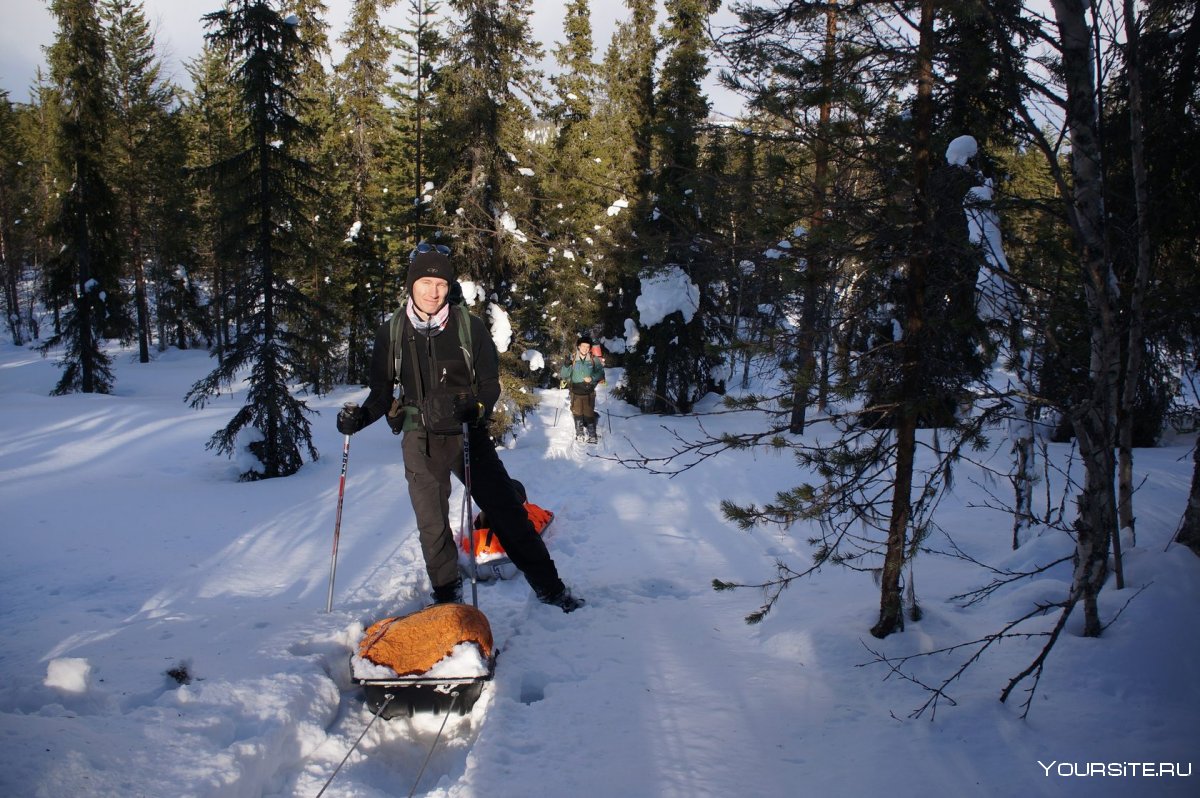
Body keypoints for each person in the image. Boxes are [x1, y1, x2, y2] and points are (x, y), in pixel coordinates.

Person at [336, 245, 584, 613]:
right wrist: (359, 419)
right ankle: (447, 599)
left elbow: (489, 384)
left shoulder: (470, 327)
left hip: (468, 436)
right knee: (431, 526)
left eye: (440, 283)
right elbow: (380, 392)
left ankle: (550, 589)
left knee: (507, 514)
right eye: (425, 282)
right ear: (411, 285)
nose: (433, 291)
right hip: (419, 440)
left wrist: (478, 408)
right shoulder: (392, 332)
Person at [559, 335, 606, 444]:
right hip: (575, 392)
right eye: (583, 346)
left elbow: (601, 373)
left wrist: (592, 378)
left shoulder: (594, 359)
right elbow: (564, 375)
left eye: (587, 346)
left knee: (589, 413)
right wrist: (566, 366)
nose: (585, 348)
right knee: (577, 413)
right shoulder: (573, 359)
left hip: (589, 392)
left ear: (589, 348)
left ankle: (592, 434)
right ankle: (579, 433)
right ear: (578, 347)